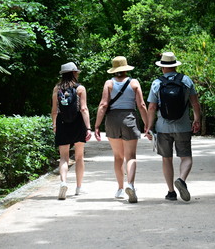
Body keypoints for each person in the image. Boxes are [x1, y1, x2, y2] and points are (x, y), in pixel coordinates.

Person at [146, 52, 201, 202]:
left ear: (162, 67)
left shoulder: (157, 83)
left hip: (163, 128)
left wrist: (149, 127)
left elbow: (151, 107)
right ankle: (181, 180)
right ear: (175, 66)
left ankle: (171, 192)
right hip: (183, 126)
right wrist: (197, 120)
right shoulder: (186, 81)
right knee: (186, 158)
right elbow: (195, 103)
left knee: (166, 159)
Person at [94, 56, 148, 203]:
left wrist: (97, 125)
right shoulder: (134, 82)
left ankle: (120, 188)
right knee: (130, 156)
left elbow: (103, 105)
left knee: (118, 157)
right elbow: (142, 105)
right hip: (129, 118)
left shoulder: (109, 83)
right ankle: (130, 185)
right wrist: (147, 124)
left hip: (112, 119)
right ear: (125, 68)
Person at [51, 62, 92, 200]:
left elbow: (54, 110)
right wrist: (88, 127)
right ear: (74, 73)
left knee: (64, 157)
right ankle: (79, 188)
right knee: (79, 157)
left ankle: (63, 182)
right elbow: (84, 109)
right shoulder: (80, 88)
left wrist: (54, 125)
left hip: (62, 123)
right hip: (78, 123)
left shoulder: (57, 89)